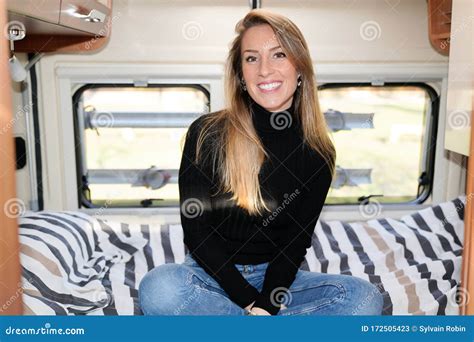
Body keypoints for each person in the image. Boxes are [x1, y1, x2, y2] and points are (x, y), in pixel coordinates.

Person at [139, 9, 384, 316]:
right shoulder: (206, 133)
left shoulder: (318, 153)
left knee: (365, 300)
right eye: (252, 58)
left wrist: (267, 304)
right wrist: (247, 301)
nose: (265, 70)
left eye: (279, 54)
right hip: (211, 276)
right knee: (159, 288)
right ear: (241, 76)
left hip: (278, 281)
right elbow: (197, 232)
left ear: (300, 69)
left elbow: (294, 243)